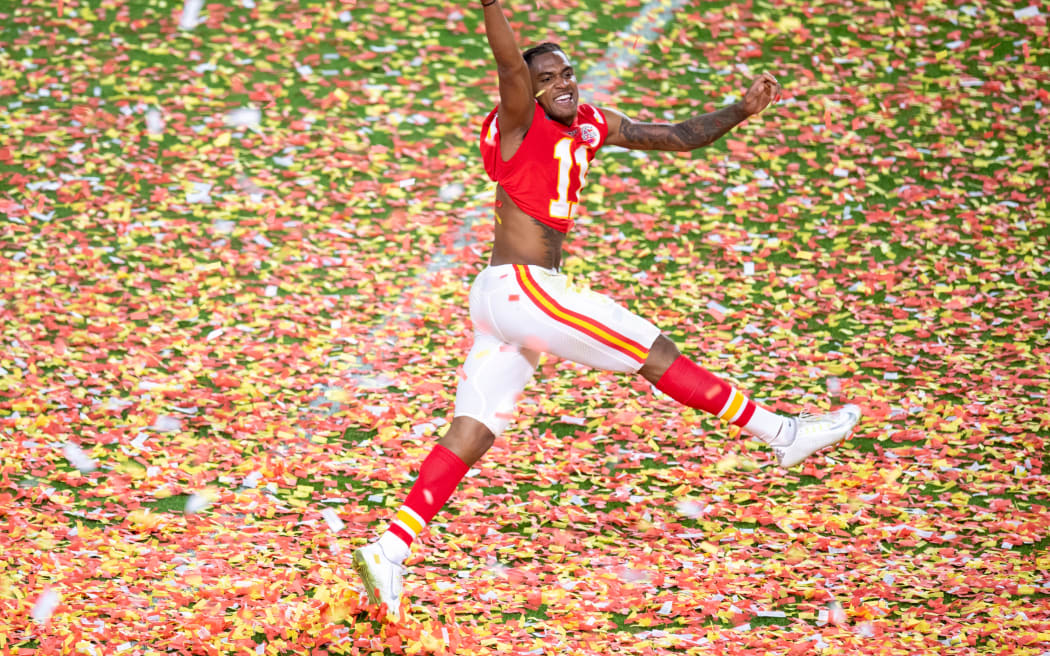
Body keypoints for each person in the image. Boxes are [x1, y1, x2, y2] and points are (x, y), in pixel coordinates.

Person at [352, 0, 861, 617]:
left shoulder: (588, 121)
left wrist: (740, 111)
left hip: (502, 296)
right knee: (652, 351)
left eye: (567, 73)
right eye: (548, 79)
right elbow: (510, 72)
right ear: (530, 92)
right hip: (522, 286)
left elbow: (673, 137)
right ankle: (782, 434)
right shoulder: (519, 121)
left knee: (475, 427)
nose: (562, 84)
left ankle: (390, 549)